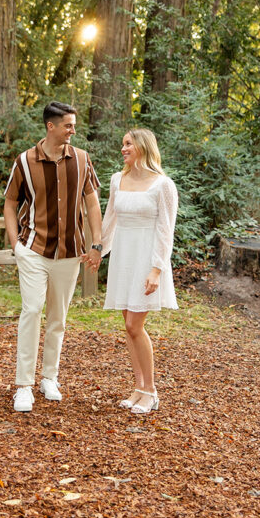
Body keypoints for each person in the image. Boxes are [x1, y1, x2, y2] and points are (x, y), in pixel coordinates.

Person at [4, 101, 102, 413]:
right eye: (68, 125)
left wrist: (97, 243)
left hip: (71, 253)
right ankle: (23, 385)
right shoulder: (24, 161)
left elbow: (92, 203)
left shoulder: (83, 160)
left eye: (73, 125)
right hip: (33, 249)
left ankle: (49, 378)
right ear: (51, 126)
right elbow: (9, 203)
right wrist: (15, 245)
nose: (73, 131)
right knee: (32, 311)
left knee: (57, 318)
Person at [84, 128, 178, 415]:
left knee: (135, 326)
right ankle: (138, 389)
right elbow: (111, 218)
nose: (123, 148)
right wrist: (100, 249)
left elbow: (165, 230)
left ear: (143, 147)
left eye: (128, 144)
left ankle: (151, 391)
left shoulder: (163, 185)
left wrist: (157, 270)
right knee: (128, 326)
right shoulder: (117, 180)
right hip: (124, 256)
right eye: (122, 144)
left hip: (146, 257)